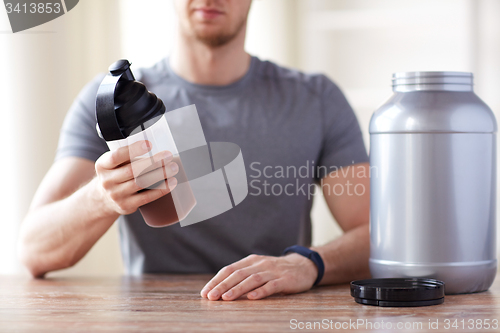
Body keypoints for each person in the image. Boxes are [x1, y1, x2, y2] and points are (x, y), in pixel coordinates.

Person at [18, 0, 371, 301]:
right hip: (154, 317)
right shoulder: (110, 103)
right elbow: (35, 252)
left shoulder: (317, 100)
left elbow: (380, 236)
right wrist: (101, 198)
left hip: (271, 309)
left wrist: (306, 263)